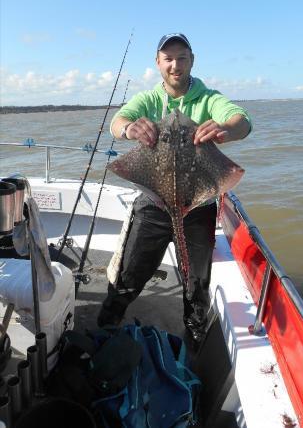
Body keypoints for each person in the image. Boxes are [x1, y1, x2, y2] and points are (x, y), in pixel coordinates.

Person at [98, 33, 252, 346]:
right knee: (130, 272)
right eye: (168, 58)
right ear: (158, 63)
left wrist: (226, 128)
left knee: (196, 280)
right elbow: (118, 121)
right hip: (153, 204)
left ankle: (195, 335)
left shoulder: (210, 99)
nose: (175, 65)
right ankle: (106, 325)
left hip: (197, 206)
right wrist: (128, 128)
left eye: (182, 57)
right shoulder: (149, 99)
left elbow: (242, 121)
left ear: (191, 60)